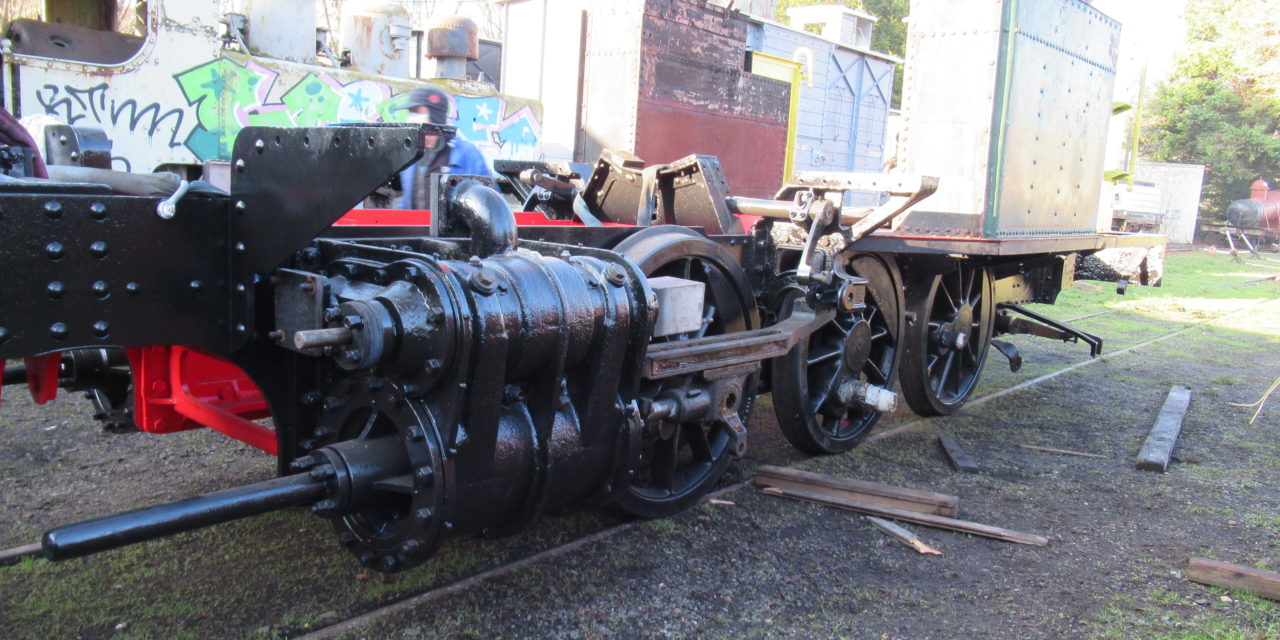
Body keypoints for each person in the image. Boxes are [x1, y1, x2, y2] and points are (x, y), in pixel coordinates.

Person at [393, 86, 491, 209]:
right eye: (411, 112)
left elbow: (489, 204)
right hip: (419, 229)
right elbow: (408, 203)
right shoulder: (410, 157)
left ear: (435, 117)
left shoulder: (468, 155)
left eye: (417, 112)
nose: (412, 117)